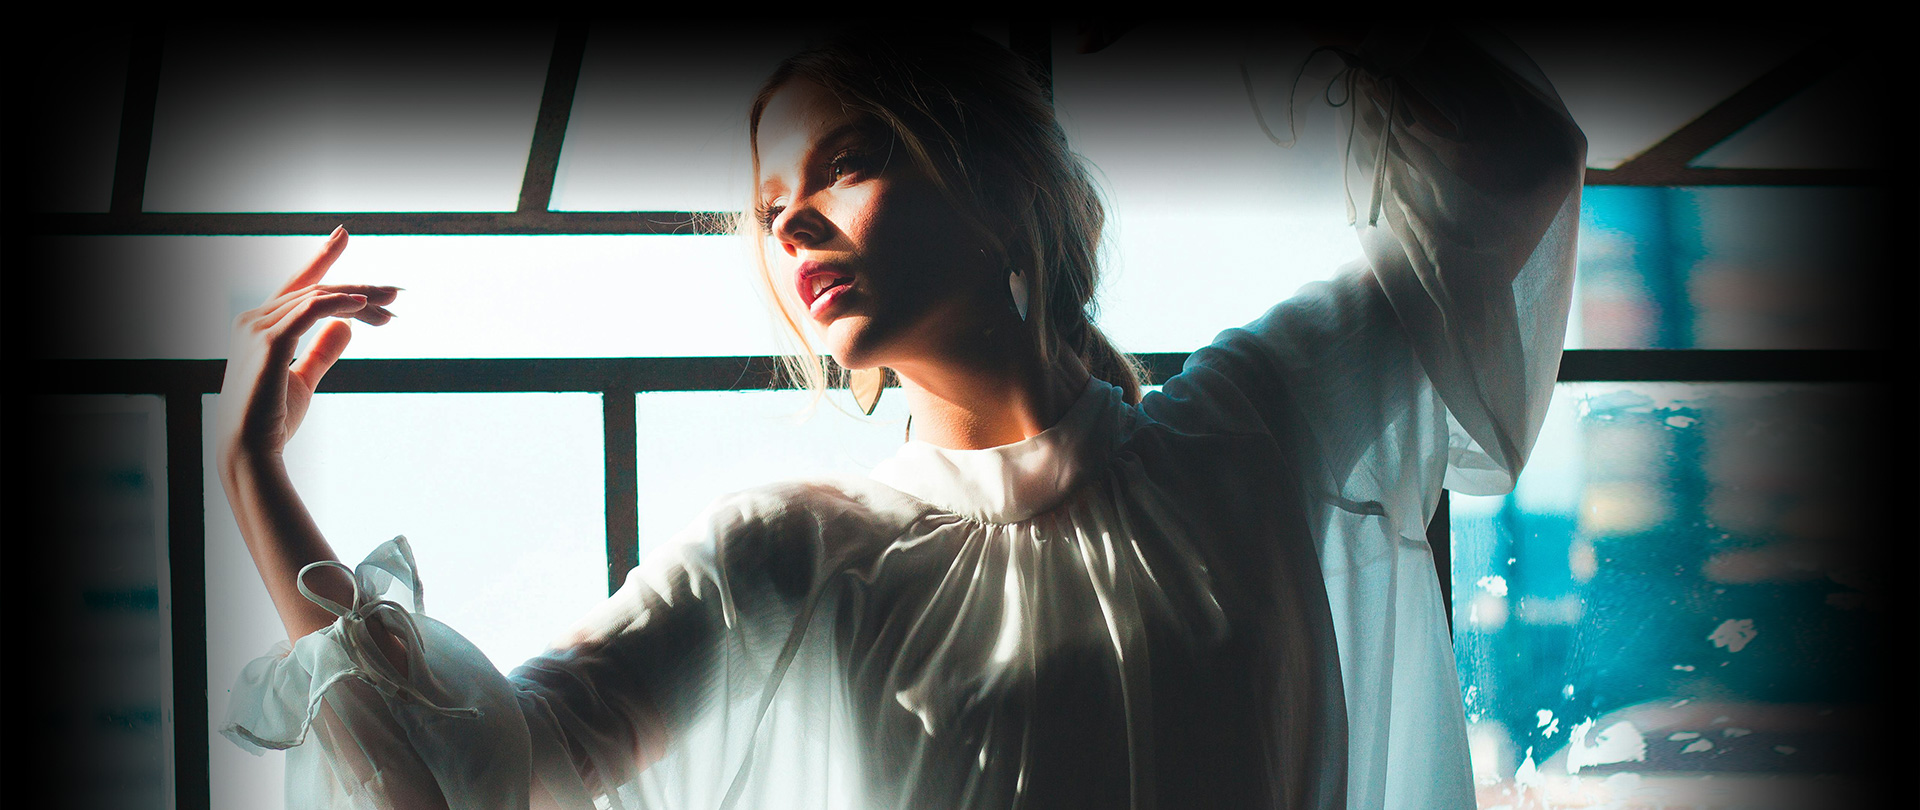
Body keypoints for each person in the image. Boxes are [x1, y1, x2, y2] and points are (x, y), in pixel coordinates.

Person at [216, 25, 1585, 810]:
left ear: (1001, 182)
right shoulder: (782, 554)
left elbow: (1513, 160)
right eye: (771, 207)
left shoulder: (1257, 426)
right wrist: (255, 474)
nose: (791, 224)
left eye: (844, 165)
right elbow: (473, 777)